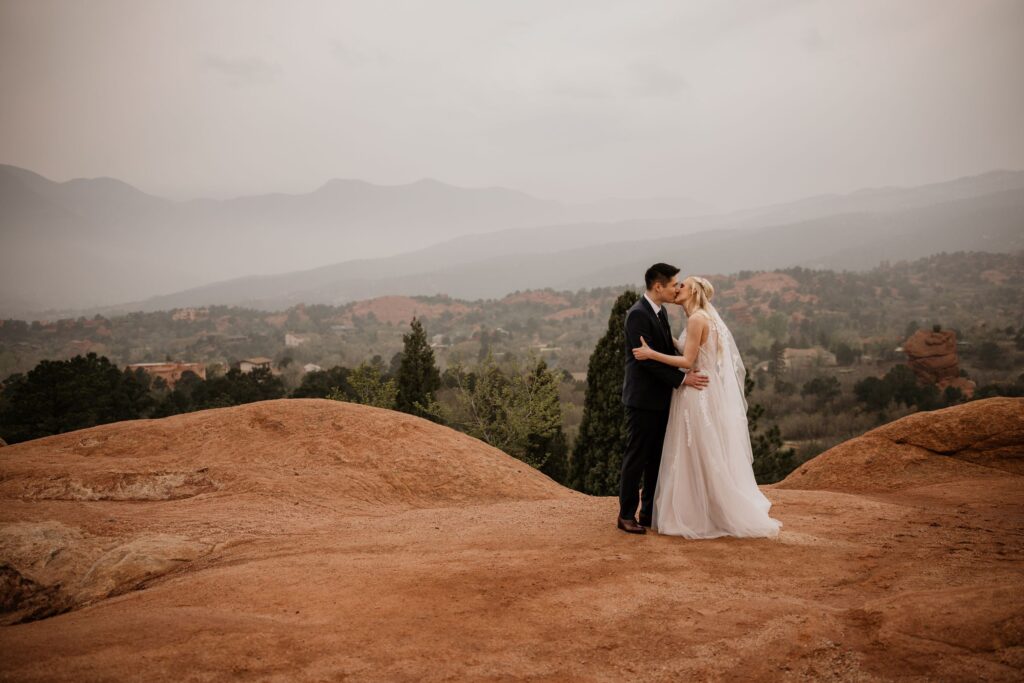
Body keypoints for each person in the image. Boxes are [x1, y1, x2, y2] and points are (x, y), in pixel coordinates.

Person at [632, 275, 782, 539]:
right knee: (702, 448)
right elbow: (694, 350)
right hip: (704, 390)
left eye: (682, 286)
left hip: (695, 391)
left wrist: (651, 354)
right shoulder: (703, 318)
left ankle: (699, 512)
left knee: (695, 449)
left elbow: (689, 360)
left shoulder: (696, 319)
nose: (677, 289)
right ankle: (706, 506)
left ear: (693, 293)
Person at [617, 263, 709, 534]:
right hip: (642, 400)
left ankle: (647, 512)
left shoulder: (660, 313)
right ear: (658, 286)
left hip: (661, 398)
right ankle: (625, 515)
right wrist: (683, 379)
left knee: (656, 458)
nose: (676, 289)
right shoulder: (637, 315)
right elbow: (645, 362)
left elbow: (666, 349)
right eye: (673, 285)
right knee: (636, 457)